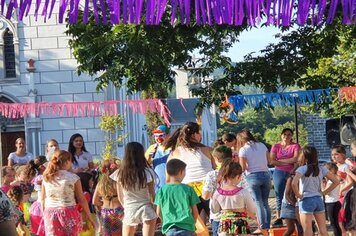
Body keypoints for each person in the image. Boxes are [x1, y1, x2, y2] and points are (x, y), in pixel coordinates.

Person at [165, 122, 215, 216]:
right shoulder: (208, 149)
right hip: (207, 188)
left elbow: (168, 176)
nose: (200, 135)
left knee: (190, 221)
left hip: (187, 189)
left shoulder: (175, 152)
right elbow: (216, 168)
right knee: (214, 217)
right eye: (199, 133)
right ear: (194, 134)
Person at [40, 150, 94, 235]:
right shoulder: (73, 178)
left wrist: (44, 214)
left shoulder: (47, 177)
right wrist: (89, 216)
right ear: (67, 161)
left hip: (50, 212)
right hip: (67, 211)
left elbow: (42, 199)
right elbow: (81, 200)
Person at [291, 145, 339, 236]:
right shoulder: (321, 168)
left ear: (303, 156)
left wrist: (298, 194)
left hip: (306, 199)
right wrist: (324, 192)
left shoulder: (302, 169)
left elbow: (293, 183)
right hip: (318, 199)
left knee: (307, 229)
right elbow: (336, 181)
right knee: (323, 229)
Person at [116, 142, 157, 236]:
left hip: (130, 208)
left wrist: (126, 207)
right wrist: (156, 210)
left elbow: (120, 197)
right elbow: (152, 196)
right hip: (146, 208)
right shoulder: (147, 173)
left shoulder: (120, 174)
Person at [237, 130, 271, 235]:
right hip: (266, 174)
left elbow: (242, 168)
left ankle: (261, 227)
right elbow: (269, 161)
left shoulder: (243, 150)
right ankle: (267, 225)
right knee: (265, 202)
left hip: (252, 176)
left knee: (258, 202)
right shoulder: (262, 145)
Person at [155, 159, 200, 236]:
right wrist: (192, 224)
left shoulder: (162, 190)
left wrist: (165, 221)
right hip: (187, 227)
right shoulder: (189, 189)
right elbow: (195, 212)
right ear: (181, 172)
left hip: (169, 228)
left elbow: (158, 212)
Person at [211, 160, 256, 235]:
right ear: (238, 176)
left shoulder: (217, 193)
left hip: (224, 227)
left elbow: (214, 210)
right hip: (241, 226)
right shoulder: (243, 192)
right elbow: (253, 209)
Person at [269, 128, 301, 227]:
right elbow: (272, 161)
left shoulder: (295, 146)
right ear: (281, 135)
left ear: (292, 136)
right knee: (279, 194)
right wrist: (289, 160)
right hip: (279, 171)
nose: (287, 136)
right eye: (285, 134)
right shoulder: (276, 146)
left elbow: (296, 159)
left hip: (292, 171)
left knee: (292, 194)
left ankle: (294, 215)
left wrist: (281, 161)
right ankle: (279, 217)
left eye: (289, 134)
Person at [201, 145, 233, 236]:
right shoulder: (239, 174)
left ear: (216, 159)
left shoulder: (211, 175)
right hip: (237, 215)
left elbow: (205, 196)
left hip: (218, 216)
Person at [93, 165, 124, 236]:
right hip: (118, 211)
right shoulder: (118, 183)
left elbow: (94, 201)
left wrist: (103, 203)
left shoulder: (100, 184)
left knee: (107, 234)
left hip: (105, 212)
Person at [145, 124, 171, 191]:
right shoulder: (152, 148)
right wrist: (149, 156)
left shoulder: (174, 148)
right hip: (158, 186)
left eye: (161, 135)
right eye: (156, 136)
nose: (158, 138)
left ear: (168, 136)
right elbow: (144, 165)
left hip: (172, 185)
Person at [28, 156, 47, 236]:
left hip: (40, 206)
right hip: (43, 206)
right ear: (42, 167)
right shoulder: (41, 178)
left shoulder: (40, 177)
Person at [323, 162, 341, 236]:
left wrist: (322, 185)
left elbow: (326, 192)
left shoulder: (330, 182)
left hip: (331, 203)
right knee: (335, 223)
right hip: (335, 202)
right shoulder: (336, 179)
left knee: (333, 223)